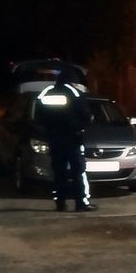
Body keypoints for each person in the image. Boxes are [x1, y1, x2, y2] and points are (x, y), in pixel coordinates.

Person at [35, 70, 96, 212]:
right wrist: (83, 125)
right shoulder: (74, 93)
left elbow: (39, 116)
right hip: (72, 139)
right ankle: (81, 203)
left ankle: (60, 203)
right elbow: (85, 116)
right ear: (72, 80)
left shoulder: (46, 92)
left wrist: (49, 128)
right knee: (78, 172)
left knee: (59, 172)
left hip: (54, 139)